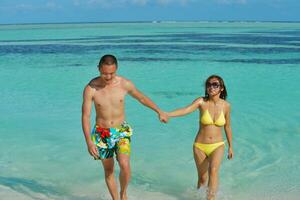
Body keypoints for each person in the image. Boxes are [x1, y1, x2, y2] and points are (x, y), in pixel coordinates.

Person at [81, 54, 167, 200]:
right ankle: (116, 198)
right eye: (104, 73)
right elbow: (86, 116)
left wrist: (159, 111)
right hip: (102, 134)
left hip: (121, 131)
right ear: (98, 68)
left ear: (116, 69)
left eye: (111, 73)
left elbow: (141, 98)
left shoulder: (124, 84)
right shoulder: (91, 88)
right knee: (109, 171)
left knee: (125, 165)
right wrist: (89, 141)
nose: (108, 77)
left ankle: (123, 193)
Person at [166, 75, 233, 200]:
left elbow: (227, 127)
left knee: (213, 171)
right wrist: (168, 114)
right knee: (202, 179)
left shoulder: (226, 106)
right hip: (200, 146)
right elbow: (186, 110)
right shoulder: (201, 102)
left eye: (215, 85)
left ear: (221, 88)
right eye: (208, 84)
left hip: (217, 145)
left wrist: (230, 147)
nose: (211, 87)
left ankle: (210, 199)